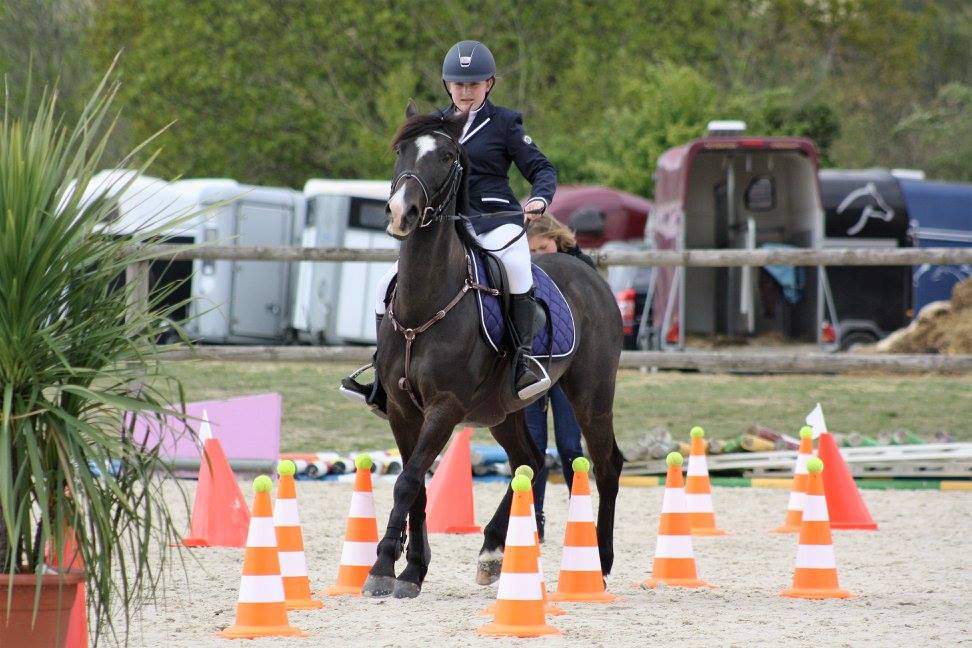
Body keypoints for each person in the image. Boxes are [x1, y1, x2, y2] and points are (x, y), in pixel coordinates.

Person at [342, 40, 558, 414]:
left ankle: (521, 365)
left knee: (518, 269)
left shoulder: (505, 123)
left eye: (473, 84)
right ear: (447, 86)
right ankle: (381, 374)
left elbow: (542, 169)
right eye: (458, 84)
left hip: (494, 220)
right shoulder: (435, 128)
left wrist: (539, 197)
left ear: (489, 84)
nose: (465, 91)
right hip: (446, 227)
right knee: (384, 286)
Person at [525, 213, 594, 540]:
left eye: (544, 246)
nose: (540, 255)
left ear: (558, 240)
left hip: (568, 372)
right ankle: (533, 520)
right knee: (532, 448)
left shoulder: (580, 272)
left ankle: (580, 516)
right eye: (532, 251)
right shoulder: (522, 277)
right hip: (533, 369)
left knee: (570, 445)